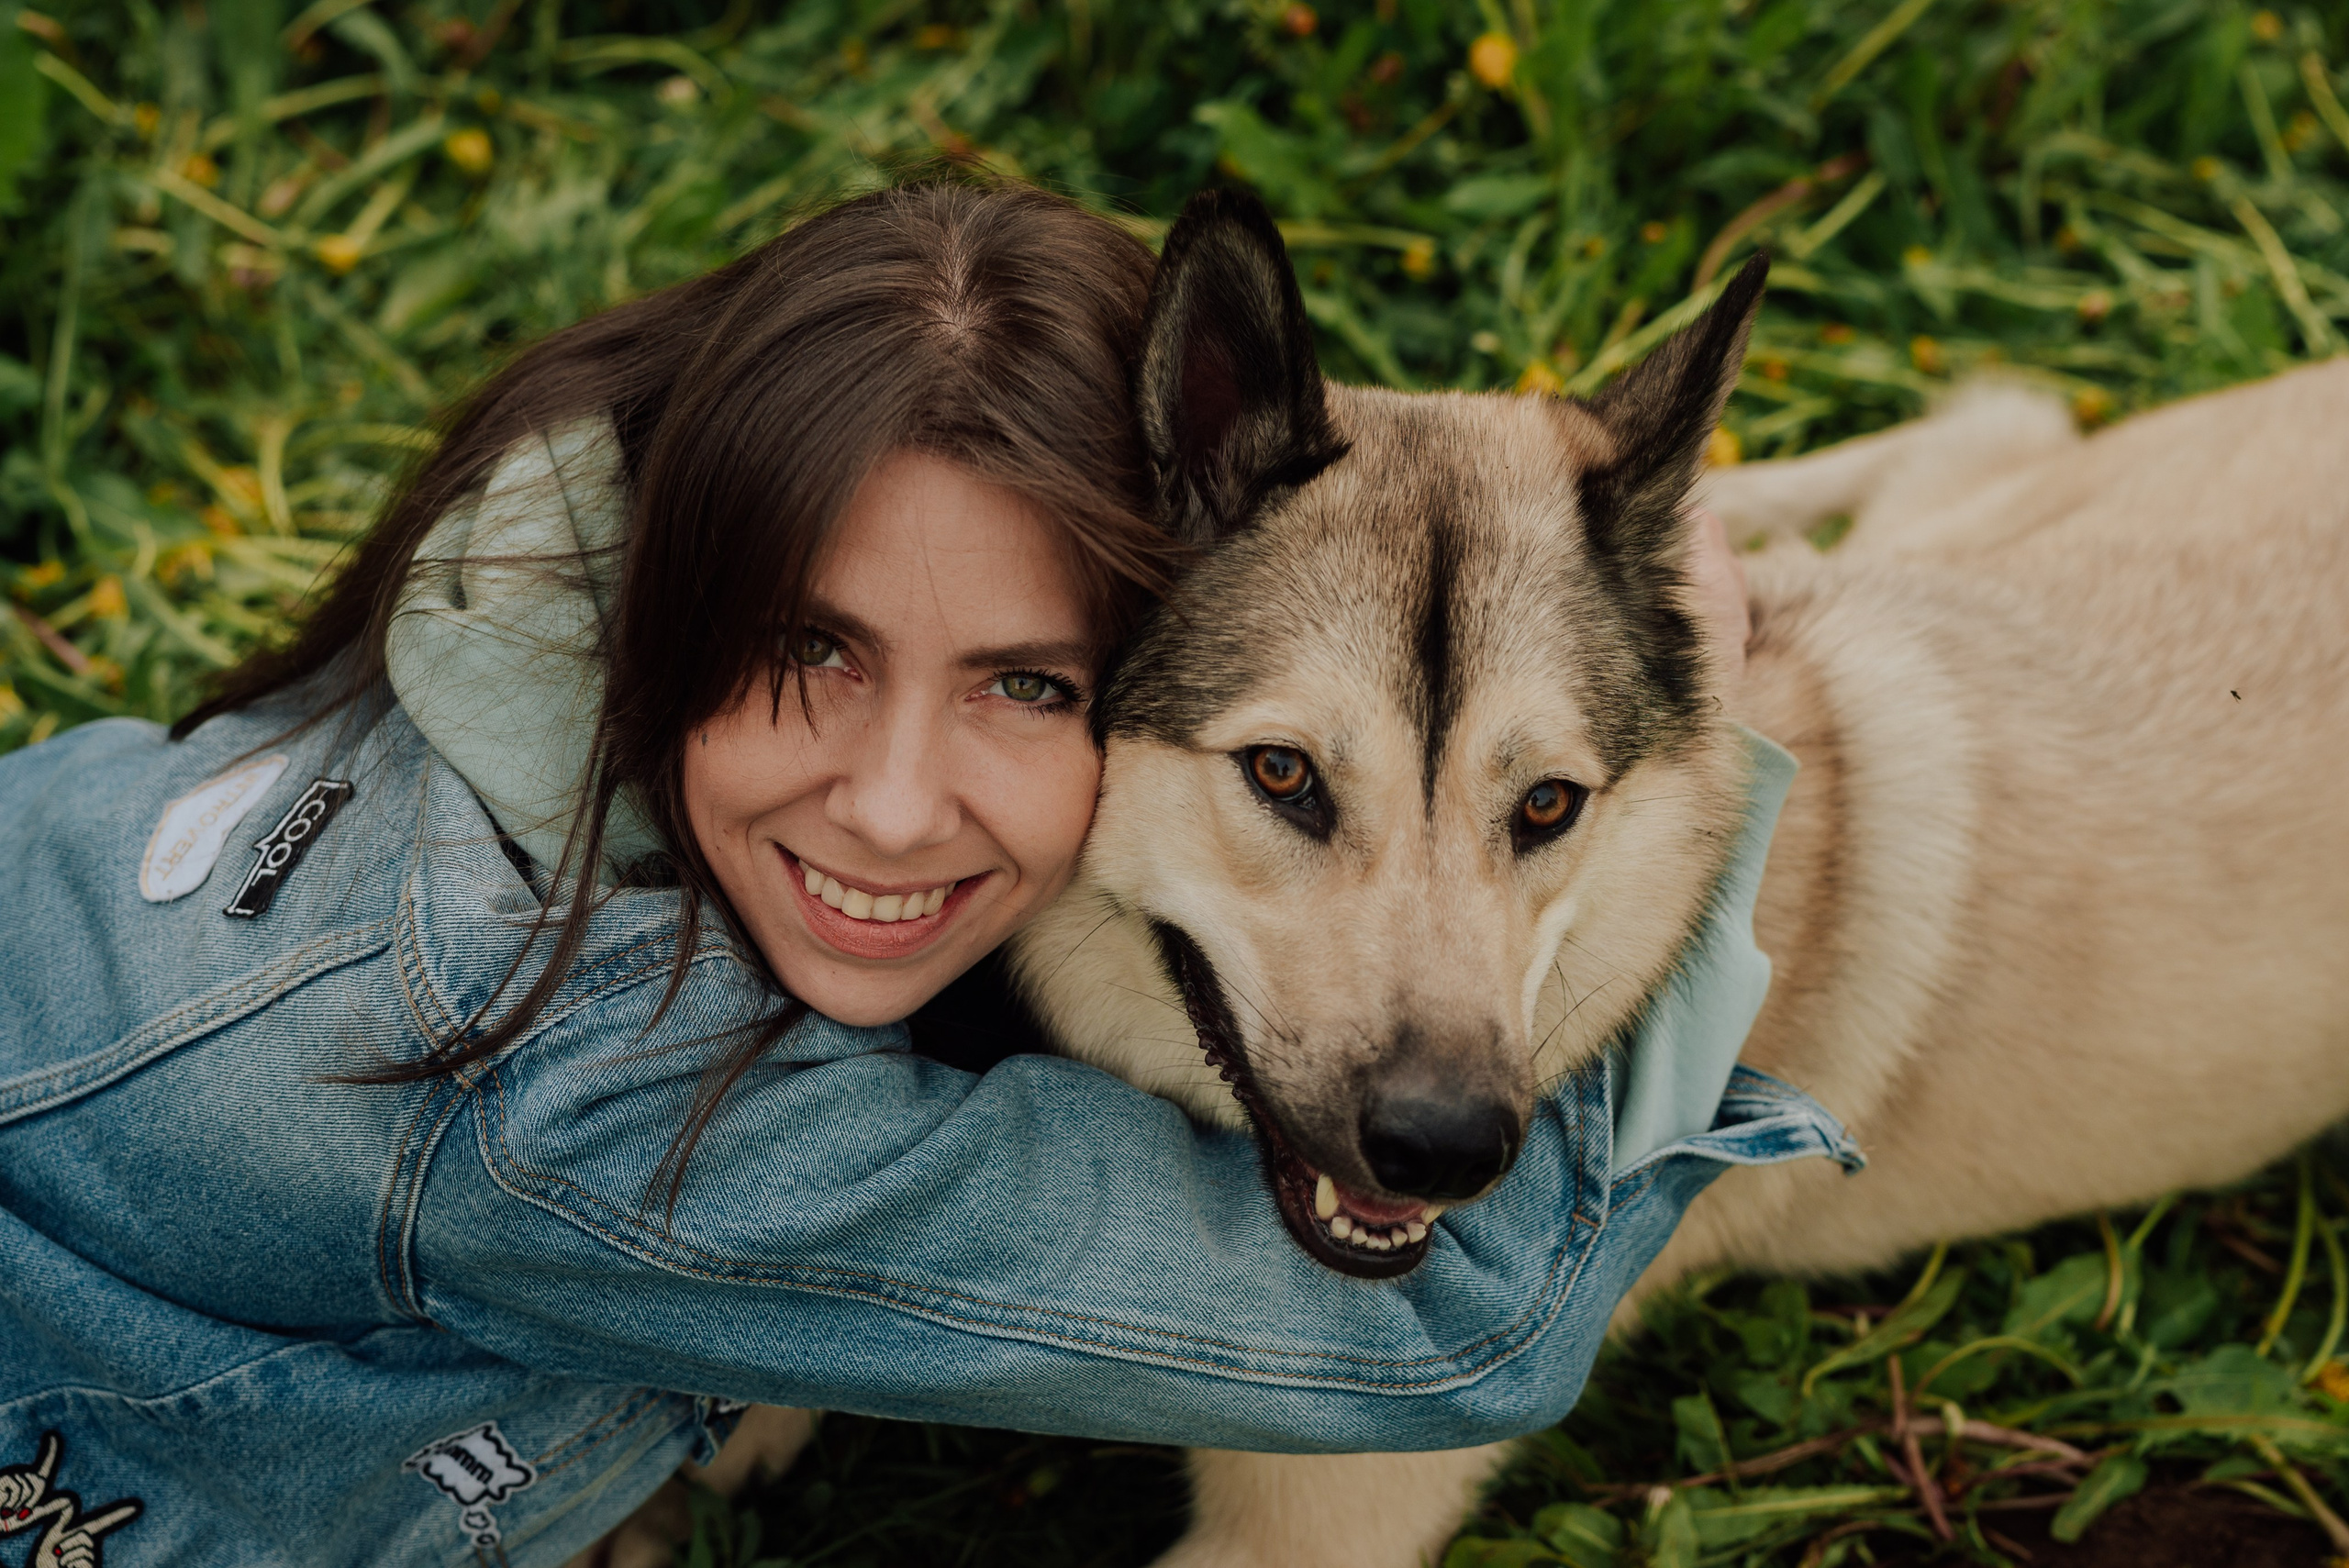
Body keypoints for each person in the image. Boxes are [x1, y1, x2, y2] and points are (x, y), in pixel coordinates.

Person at [0, 177, 1850, 1567]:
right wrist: (1685, 740)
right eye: (811, 650)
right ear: (699, 565)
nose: (892, 811)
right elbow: (1447, 1330)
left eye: (1025, 684)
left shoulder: (517, 626)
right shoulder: (583, 1108)